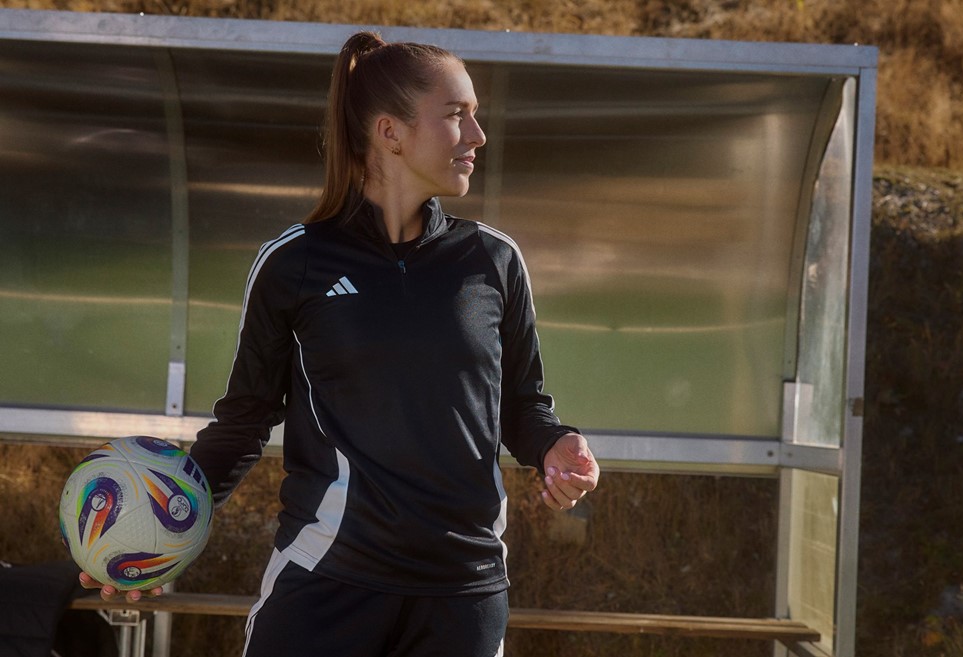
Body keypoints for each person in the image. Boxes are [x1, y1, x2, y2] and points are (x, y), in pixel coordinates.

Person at [80, 31, 599, 657]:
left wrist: (553, 444)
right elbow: (244, 422)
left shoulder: (494, 260)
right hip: (327, 580)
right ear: (391, 132)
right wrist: (151, 531)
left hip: (462, 595)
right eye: (458, 116)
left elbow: (519, 406)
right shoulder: (294, 263)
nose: (477, 136)